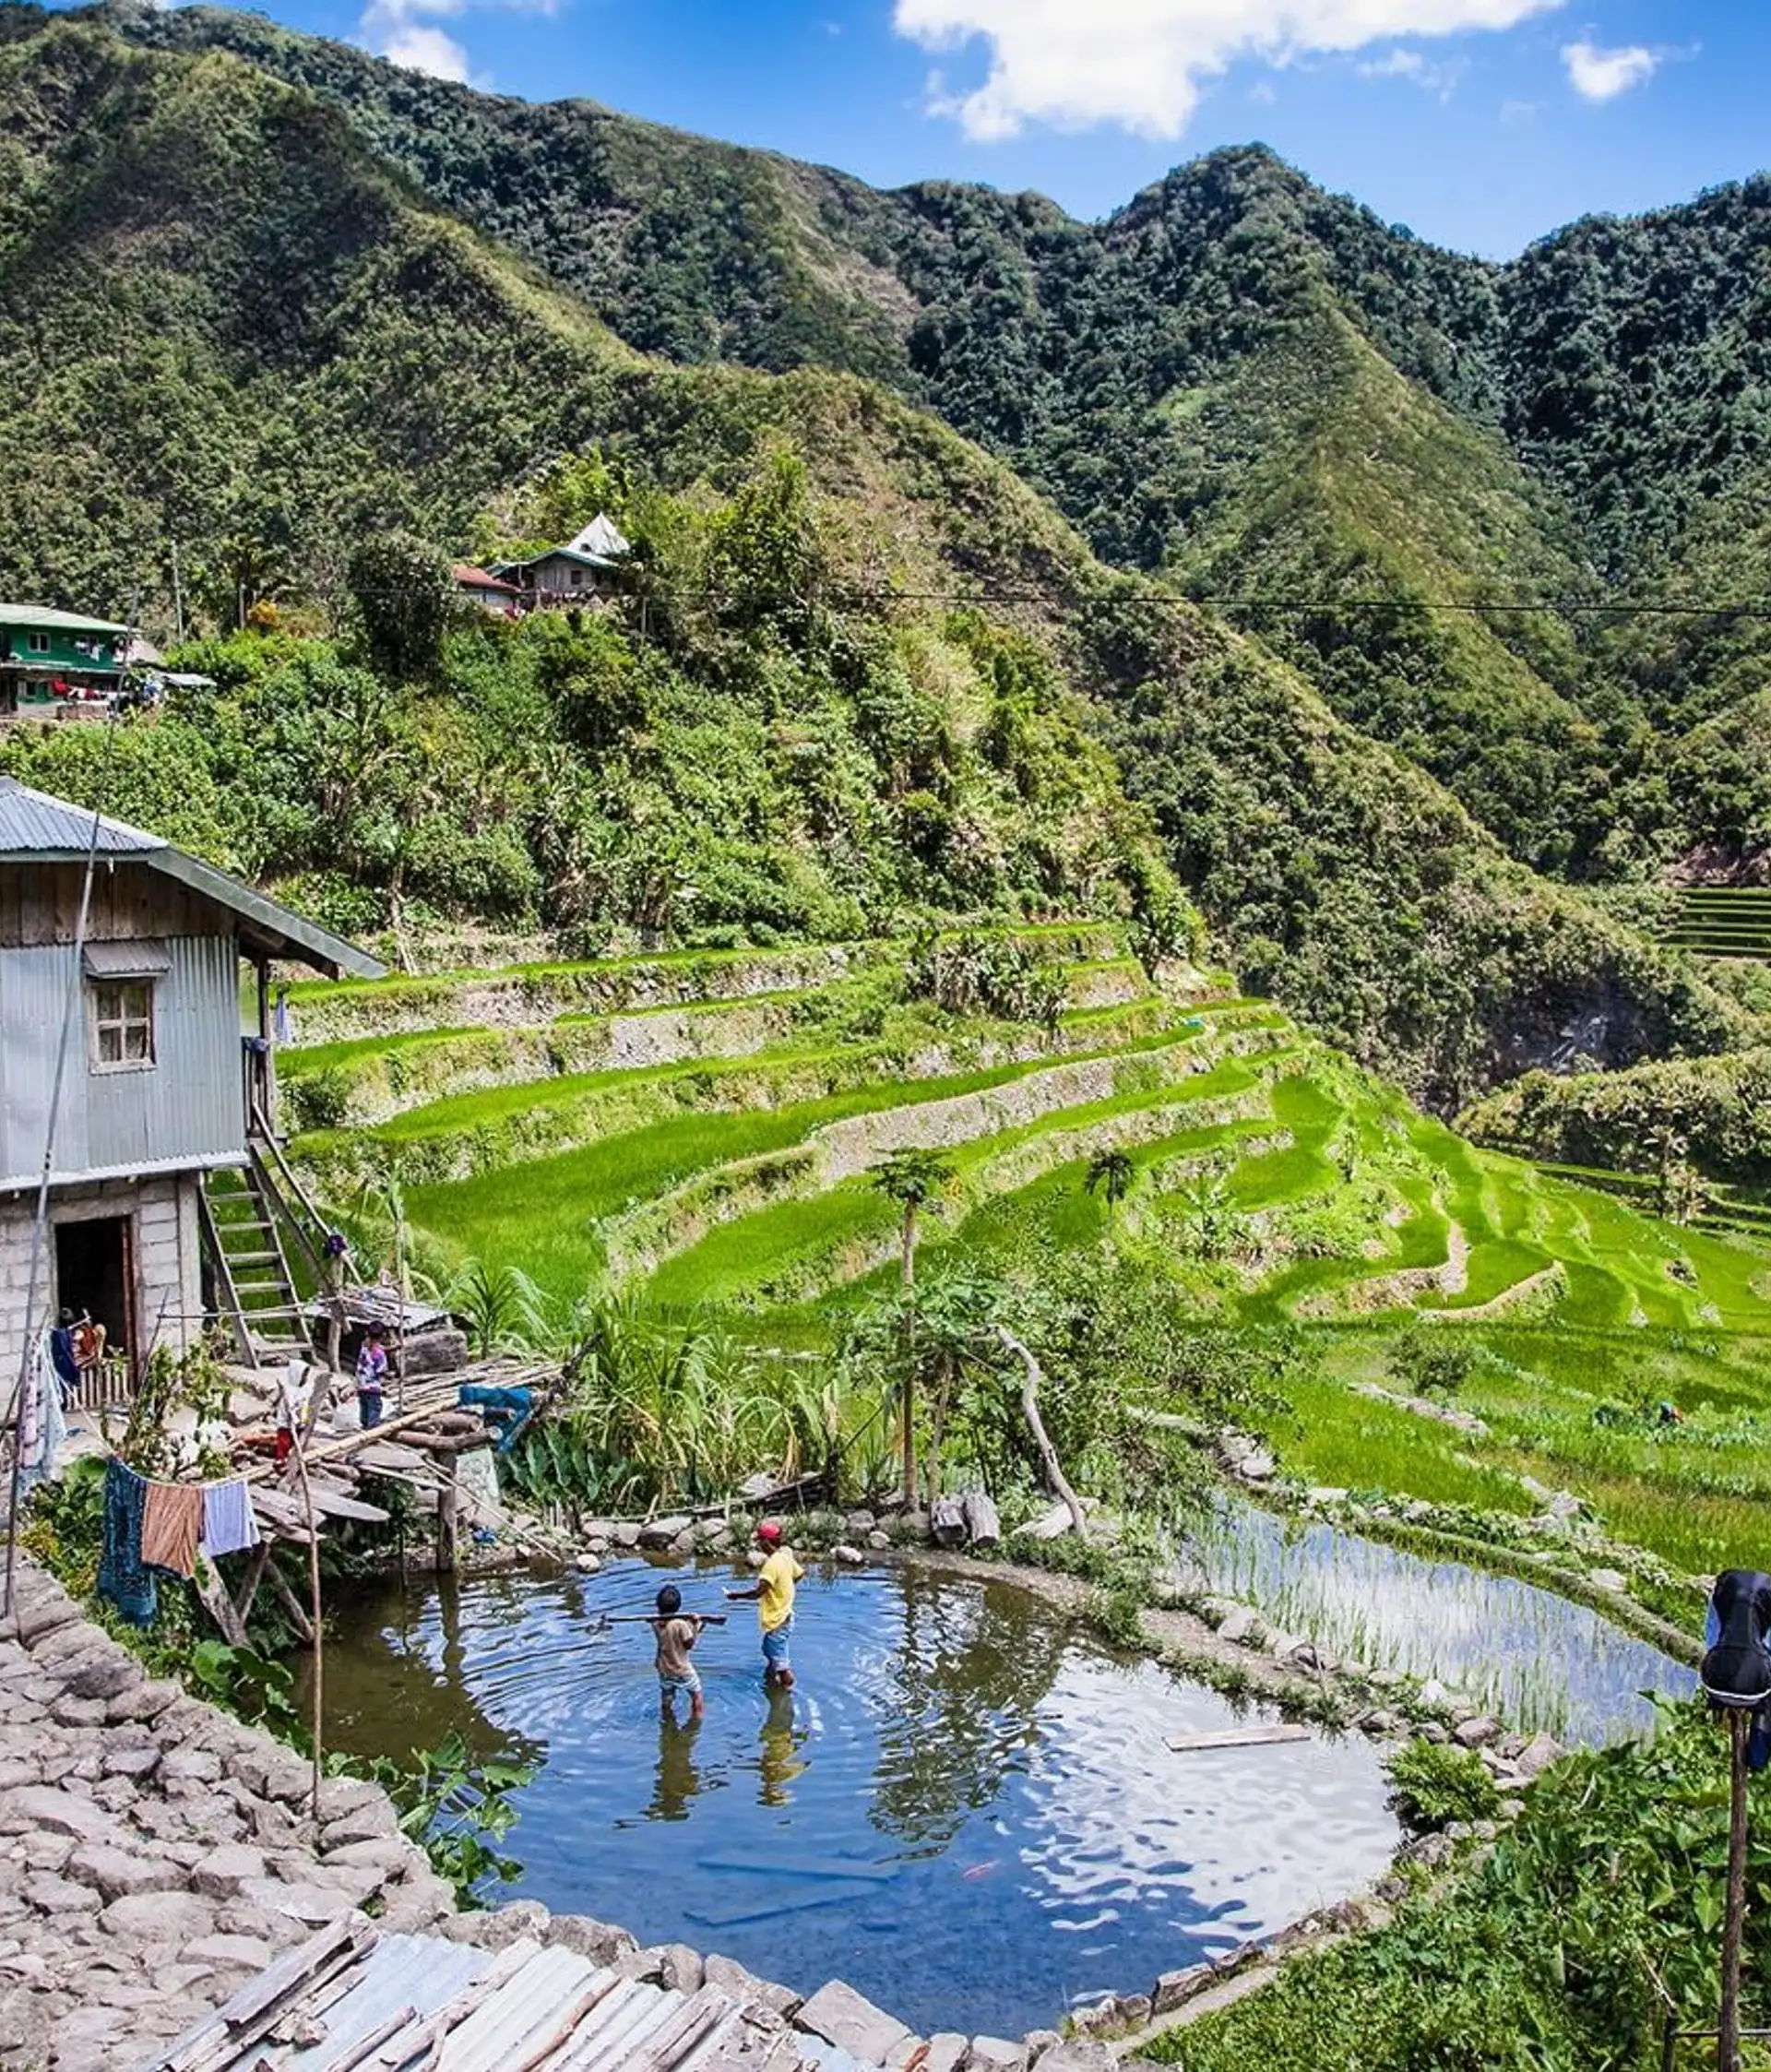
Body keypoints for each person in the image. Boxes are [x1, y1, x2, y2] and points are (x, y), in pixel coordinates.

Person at [727, 1520, 804, 1689]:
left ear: (766, 1542)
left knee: (779, 1660)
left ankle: (786, 1691)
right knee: (770, 1650)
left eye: (760, 1541)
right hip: (786, 1616)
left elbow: (758, 1592)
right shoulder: (785, 1557)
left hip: (778, 1620)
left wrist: (735, 1596)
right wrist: (784, 1588)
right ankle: (770, 1679)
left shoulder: (771, 1565)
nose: (758, 1545)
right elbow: (799, 1575)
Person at [651, 1583, 707, 1722]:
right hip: (682, 1669)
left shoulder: (656, 1623)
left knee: (667, 1697)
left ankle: (666, 1719)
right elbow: (689, 1644)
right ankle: (696, 1721)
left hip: (664, 1669)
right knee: (696, 1695)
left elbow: (671, 1637)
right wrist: (696, 1626)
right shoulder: (680, 1625)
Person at [354, 1325, 388, 1430]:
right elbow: (381, 1370)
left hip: (361, 1384)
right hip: (373, 1387)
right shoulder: (380, 1354)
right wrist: (391, 1375)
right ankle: (371, 1431)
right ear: (383, 1336)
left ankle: (365, 1426)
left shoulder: (364, 1347)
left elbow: (377, 1349)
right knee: (374, 1409)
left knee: (365, 1408)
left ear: (367, 1333)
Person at [48, 1310, 80, 1409]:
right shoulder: (61, 1334)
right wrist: (74, 1371)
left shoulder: (59, 1333)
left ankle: (62, 1403)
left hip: (60, 1361)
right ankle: (62, 1404)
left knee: (62, 1386)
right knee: (61, 1385)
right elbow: (66, 1351)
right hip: (62, 1362)